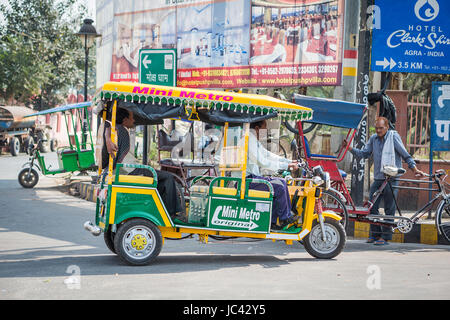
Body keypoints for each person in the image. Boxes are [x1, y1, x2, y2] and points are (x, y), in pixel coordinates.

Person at [343, 117, 425, 245]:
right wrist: (349, 149)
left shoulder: (393, 137)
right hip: (378, 178)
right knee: (372, 207)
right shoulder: (373, 139)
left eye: (381, 128)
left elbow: (405, 154)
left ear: (387, 127)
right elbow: (364, 154)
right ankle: (375, 235)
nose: (378, 130)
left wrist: (415, 169)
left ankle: (385, 237)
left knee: (389, 208)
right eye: (376, 128)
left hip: (391, 178)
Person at [102, 108, 184, 221]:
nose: (134, 120)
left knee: (159, 180)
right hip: (128, 170)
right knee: (168, 177)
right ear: (125, 120)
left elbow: (105, 123)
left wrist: (107, 136)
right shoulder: (122, 131)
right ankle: (172, 214)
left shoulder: (113, 130)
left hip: (121, 170)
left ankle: (159, 210)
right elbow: (124, 159)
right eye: (132, 118)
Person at [246, 120, 299, 230]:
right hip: (247, 181)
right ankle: (284, 217)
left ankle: (274, 221)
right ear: (257, 128)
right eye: (264, 128)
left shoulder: (253, 140)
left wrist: (287, 161)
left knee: (282, 183)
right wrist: (287, 166)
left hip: (253, 178)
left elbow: (268, 155)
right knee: (278, 187)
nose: (266, 131)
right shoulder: (248, 140)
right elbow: (263, 162)